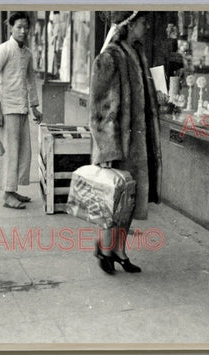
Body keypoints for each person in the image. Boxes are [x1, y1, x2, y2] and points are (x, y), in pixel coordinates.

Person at [89, 11, 162, 274]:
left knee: (128, 202)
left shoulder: (138, 54)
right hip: (119, 145)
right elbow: (99, 109)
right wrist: (107, 149)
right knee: (115, 201)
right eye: (143, 22)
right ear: (129, 25)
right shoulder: (110, 57)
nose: (147, 26)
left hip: (138, 144)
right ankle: (105, 249)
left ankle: (119, 250)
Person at [0, 12, 42, 209]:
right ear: (10, 28)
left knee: (22, 152)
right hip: (6, 109)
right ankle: (7, 195)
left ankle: (12, 190)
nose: (23, 31)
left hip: (22, 109)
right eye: (19, 27)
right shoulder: (3, 50)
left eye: (26, 27)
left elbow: (30, 80)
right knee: (10, 153)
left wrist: (34, 107)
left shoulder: (27, 53)